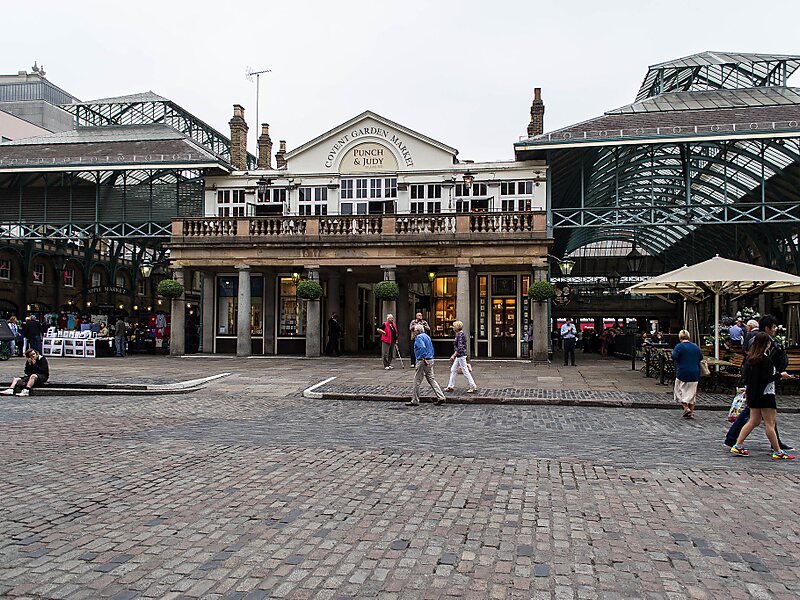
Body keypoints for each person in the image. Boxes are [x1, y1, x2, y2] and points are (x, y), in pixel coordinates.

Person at [726, 315, 793, 451]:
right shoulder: (763, 351)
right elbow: (763, 375)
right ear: (767, 328)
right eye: (773, 327)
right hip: (762, 390)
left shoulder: (758, 348)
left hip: (757, 389)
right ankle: (776, 448)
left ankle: (736, 442)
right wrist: (779, 375)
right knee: (767, 421)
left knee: (756, 419)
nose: (775, 329)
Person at [407, 323, 446, 407]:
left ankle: (415, 400)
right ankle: (441, 397)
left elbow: (422, 347)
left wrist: (423, 358)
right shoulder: (427, 336)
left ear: (417, 331)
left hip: (423, 360)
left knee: (417, 380)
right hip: (430, 359)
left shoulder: (419, 337)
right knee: (431, 379)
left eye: (414, 331)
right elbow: (431, 348)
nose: (414, 332)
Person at [671, 330, 703, 419]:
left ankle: (686, 408)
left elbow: (674, 356)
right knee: (692, 393)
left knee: (679, 390)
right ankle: (691, 413)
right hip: (695, 372)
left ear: (680, 337)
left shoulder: (679, 346)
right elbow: (700, 357)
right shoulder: (695, 346)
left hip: (683, 371)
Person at [444, 320, 477, 393]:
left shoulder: (460, 335)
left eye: (454, 326)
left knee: (465, 371)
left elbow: (460, 347)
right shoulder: (460, 334)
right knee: (453, 369)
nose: (453, 327)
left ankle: (473, 386)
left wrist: (454, 355)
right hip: (460, 355)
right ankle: (450, 386)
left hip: (461, 355)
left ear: (457, 327)